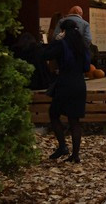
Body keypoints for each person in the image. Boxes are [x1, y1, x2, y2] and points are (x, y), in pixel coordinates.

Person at [43, 19, 91, 163]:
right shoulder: (83, 46)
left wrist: (54, 42)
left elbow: (46, 55)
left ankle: (63, 146)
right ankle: (75, 155)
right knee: (74, 121)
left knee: (54, 113)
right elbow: (87, 67)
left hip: (65, 83)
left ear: (63, 30)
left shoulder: (62, 44)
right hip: (80, 83)